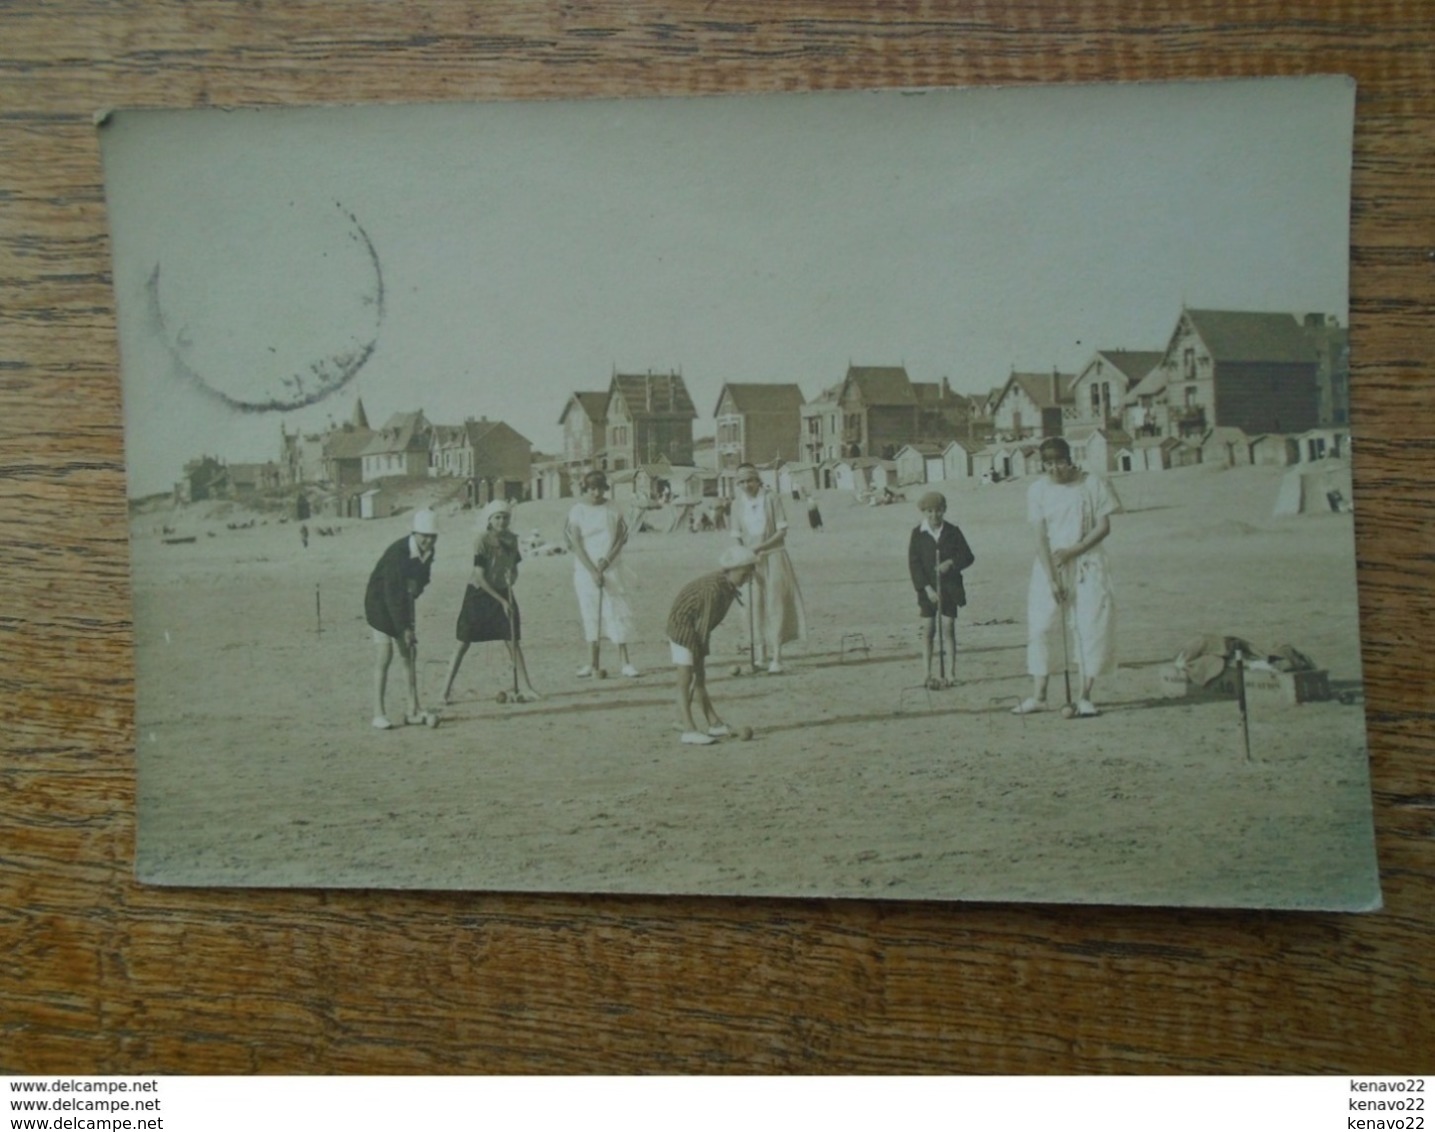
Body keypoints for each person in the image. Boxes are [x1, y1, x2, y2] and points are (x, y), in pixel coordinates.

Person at [1013, 437, 1121, 717]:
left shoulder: (1091, 483)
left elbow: (1104, 526)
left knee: (1090, 627)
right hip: (1050, 566)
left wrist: (1074, 550)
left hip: (1088, 563)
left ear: (1069, 460)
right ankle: (1039, 695)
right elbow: (1039, 537)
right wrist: (1051, 578)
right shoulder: (1037, 490)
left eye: (1059, 462)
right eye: (1047, 464)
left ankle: (1084, 696)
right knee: (1040, 627)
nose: (1054, 469)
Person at [441, 499, 540, 704]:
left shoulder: (512, 540)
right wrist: (501, 600)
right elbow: (479, 576)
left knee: (512, 641)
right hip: (479, 594)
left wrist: (512, 578)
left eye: (505, 517)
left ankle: (527, 687)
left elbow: (514, 567)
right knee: (463, 642)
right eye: (497, 517)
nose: (501, 521)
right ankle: (445, 691)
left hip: (503, 591)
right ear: (489, 520)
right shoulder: (482, 540)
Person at [667, 545, 759, 745]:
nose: (748, 578)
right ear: (732, 569)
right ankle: (688, 729)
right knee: (686, 679)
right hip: (682, 628)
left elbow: (705, 626)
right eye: (745, 574)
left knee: (699, 680)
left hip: (696, 628)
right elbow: (703, 625)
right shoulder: (713, 588)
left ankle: (714, 724)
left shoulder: (727, 586)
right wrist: (699, 657)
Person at [364, 508, 438, 730]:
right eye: (424, 536)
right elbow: (392, 594)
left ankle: (412, 710)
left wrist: (417, 586)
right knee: (385, 655)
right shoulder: (398, 554)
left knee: (408, 655)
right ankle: (378, 713)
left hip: (401, 604)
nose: (428, 540)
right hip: (379, 604)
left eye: (432, 536)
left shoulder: (428, 551)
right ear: (414, 533)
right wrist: (404, 629)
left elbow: (424, 578)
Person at [730, 462, 806, 674]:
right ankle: (760, 655)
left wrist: (760, 547)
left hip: (774, 556)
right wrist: (744, 557)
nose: (747, 485)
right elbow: (736, 536)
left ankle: (777, 657)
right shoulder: (737, 504)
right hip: (750, 562)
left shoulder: (772, 499)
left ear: (758, 480)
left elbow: (781, 532)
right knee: (752, 607)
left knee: (776, 604)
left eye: (750, 480)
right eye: (742, 482)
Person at [564, 470, 641, 678]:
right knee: (590, 615)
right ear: (585, 489)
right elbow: (576, 543)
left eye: (599, 488)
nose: (596, 492)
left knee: (617, 612)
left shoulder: (613, 507)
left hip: (612, 567)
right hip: (585, 570)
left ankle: (625, 662)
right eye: (591, 488)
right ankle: (592, 663)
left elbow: (619, 539)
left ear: (605, 488)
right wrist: (592, 570)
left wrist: (606, 562)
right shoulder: (577, 510)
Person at [907, 491, 976, 690]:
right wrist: (927, 589)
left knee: (948, 629)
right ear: (924, 512)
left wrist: (951, 563)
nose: (934, 516)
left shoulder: (953, 531)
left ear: (944, 510)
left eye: (938, 511)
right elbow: (914, 564)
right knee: (929, 630)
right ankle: (927, 674)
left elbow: (968, 556)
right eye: (929, 512)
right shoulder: (918, 533)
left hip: (950, 588)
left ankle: (951, 674)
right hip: (927, 590)